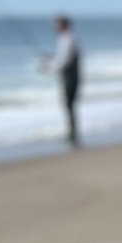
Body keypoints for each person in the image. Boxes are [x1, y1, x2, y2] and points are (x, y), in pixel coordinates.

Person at [45, 15, 81, 147]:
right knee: (69, 106)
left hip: (71, 77)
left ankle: (73, 136)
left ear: (64, 25)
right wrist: (51, 62)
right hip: (69, 75)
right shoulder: (64, 39)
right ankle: (71, 135)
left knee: (69, 105)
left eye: (57, 24)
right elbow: (61, 59)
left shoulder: (68, 39)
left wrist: (50, 66)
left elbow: (64, 61)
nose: (55, 27)